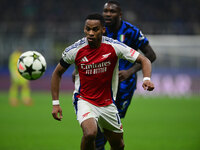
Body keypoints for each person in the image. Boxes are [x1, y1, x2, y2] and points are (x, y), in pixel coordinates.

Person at [51, 13, 154, 150]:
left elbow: (144, 59)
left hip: (107, 103)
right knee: (90, 133)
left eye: (95, 29)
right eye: (88, 29)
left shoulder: (114, 46)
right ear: (84, 29)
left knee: (119, 145)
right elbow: (57, 73)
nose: (91, 33)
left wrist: (147, 79)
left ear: (103, 30)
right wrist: (55, 103)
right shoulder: (75, 50)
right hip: (84, 100)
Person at [94, 1, 157, 149]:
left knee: (112, 123)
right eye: (105, 11)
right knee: (97, 121)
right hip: (102, 83)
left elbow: (151, 55)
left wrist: (130, 71)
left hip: (124, 86)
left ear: (120, 14)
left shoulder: (131, 31)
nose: (108, 14)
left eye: (112, 11)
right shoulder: (99, 30)